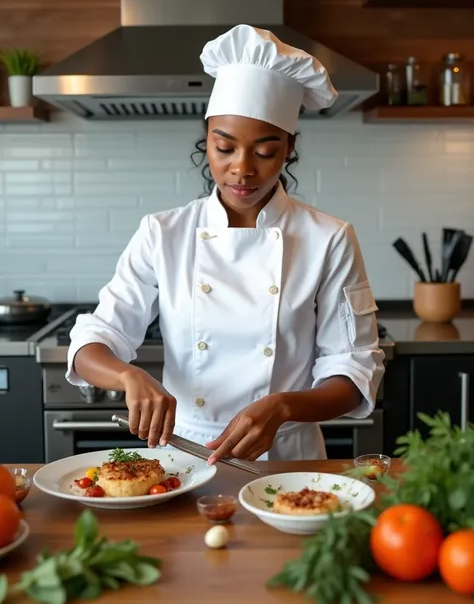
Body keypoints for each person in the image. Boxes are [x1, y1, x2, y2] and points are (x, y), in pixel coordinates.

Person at [66, 24, 384, 462]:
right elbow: (93, 342)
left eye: (265, 151)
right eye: (225, 148)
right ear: (207, 142)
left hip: (286, 461)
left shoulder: (328, 239)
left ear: (289, 148)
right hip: (184, 456)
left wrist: (285, 406)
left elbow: (355, 371)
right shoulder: (164, 233)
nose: (242, 169)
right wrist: (128, 376)